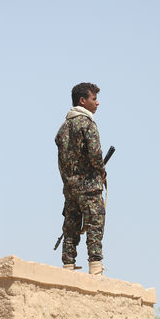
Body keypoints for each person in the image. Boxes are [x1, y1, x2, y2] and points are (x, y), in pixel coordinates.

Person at [55, 82, 106, 275]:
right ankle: (96, 267)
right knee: (94, 223)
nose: (98, 103)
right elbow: (95, 153)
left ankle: (68, 266)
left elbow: (61, 161)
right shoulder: (87, 124)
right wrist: (101, 171)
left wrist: (68, 181)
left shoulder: (63, 128)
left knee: (71, 226)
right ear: (82, 101)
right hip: (89, 186)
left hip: (70, 187)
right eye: (94, 99)